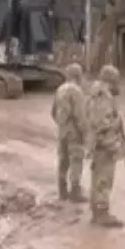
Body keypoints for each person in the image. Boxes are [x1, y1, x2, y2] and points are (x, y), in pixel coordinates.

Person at [85, 64, 125, 228]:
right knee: (103, 178)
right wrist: (112, 145)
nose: (119, 83)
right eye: (117, 80)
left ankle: (98, 211)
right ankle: (101, 213)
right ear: (111, 80)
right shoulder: (103, 96)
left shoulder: (99, 94)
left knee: (99, 178)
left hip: (100, 144)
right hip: (104, 145)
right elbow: (102, 124)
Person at [51, 63, 88, 202]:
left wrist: (61, 124)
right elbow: (80, 115)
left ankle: (62, 191)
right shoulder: (76, 91)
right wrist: (85, 133)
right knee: (76, 161)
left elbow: (53, 112)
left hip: (62, 131)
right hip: (74, 132)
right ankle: (75, 192)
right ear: (78, 75)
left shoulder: (60, 89)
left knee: (63, 160)